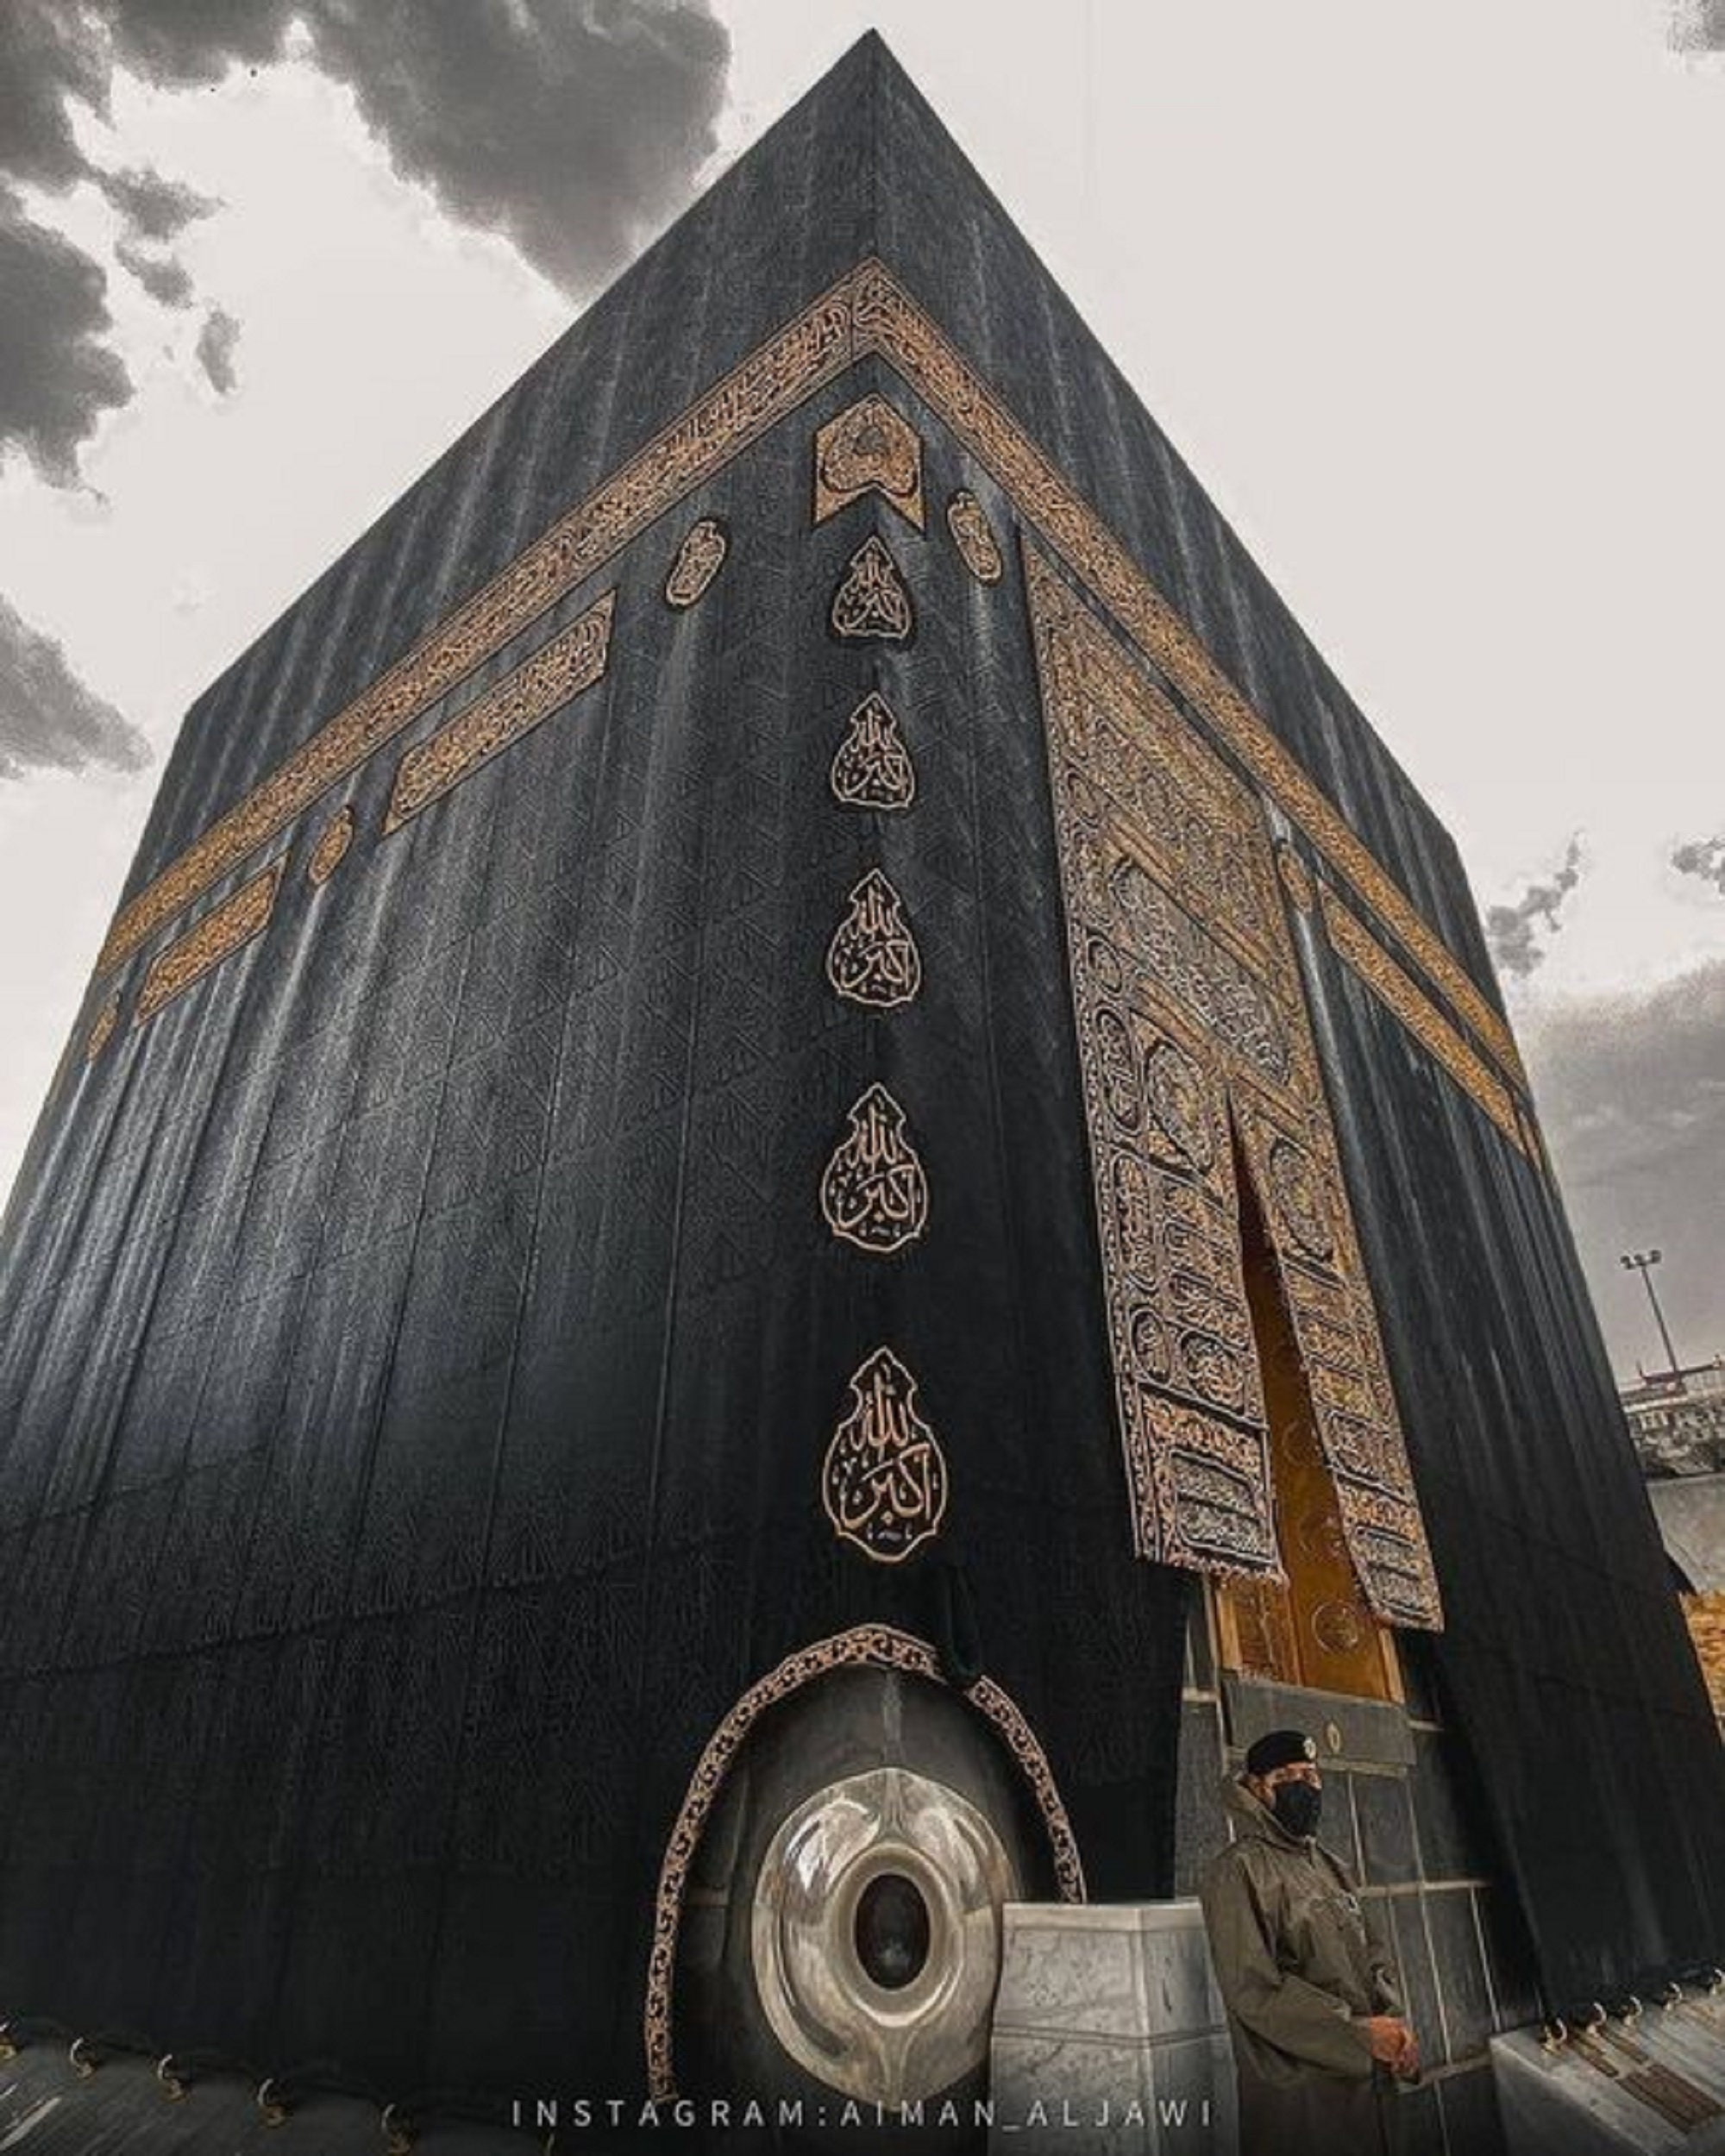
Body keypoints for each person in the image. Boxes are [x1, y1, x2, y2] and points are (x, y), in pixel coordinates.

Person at [1199, 1728, 1421, 2155]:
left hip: (1369, 2083)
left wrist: (1396, 2029)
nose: (1302, 1786)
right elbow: (1253, 1991)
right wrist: (1356, 2034)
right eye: (1285, 1777)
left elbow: (1373, 1956)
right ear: (1256, 1788)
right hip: (1305, 2098)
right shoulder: (1237, 1871)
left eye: (1310, 1775)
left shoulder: (1330, 1865)